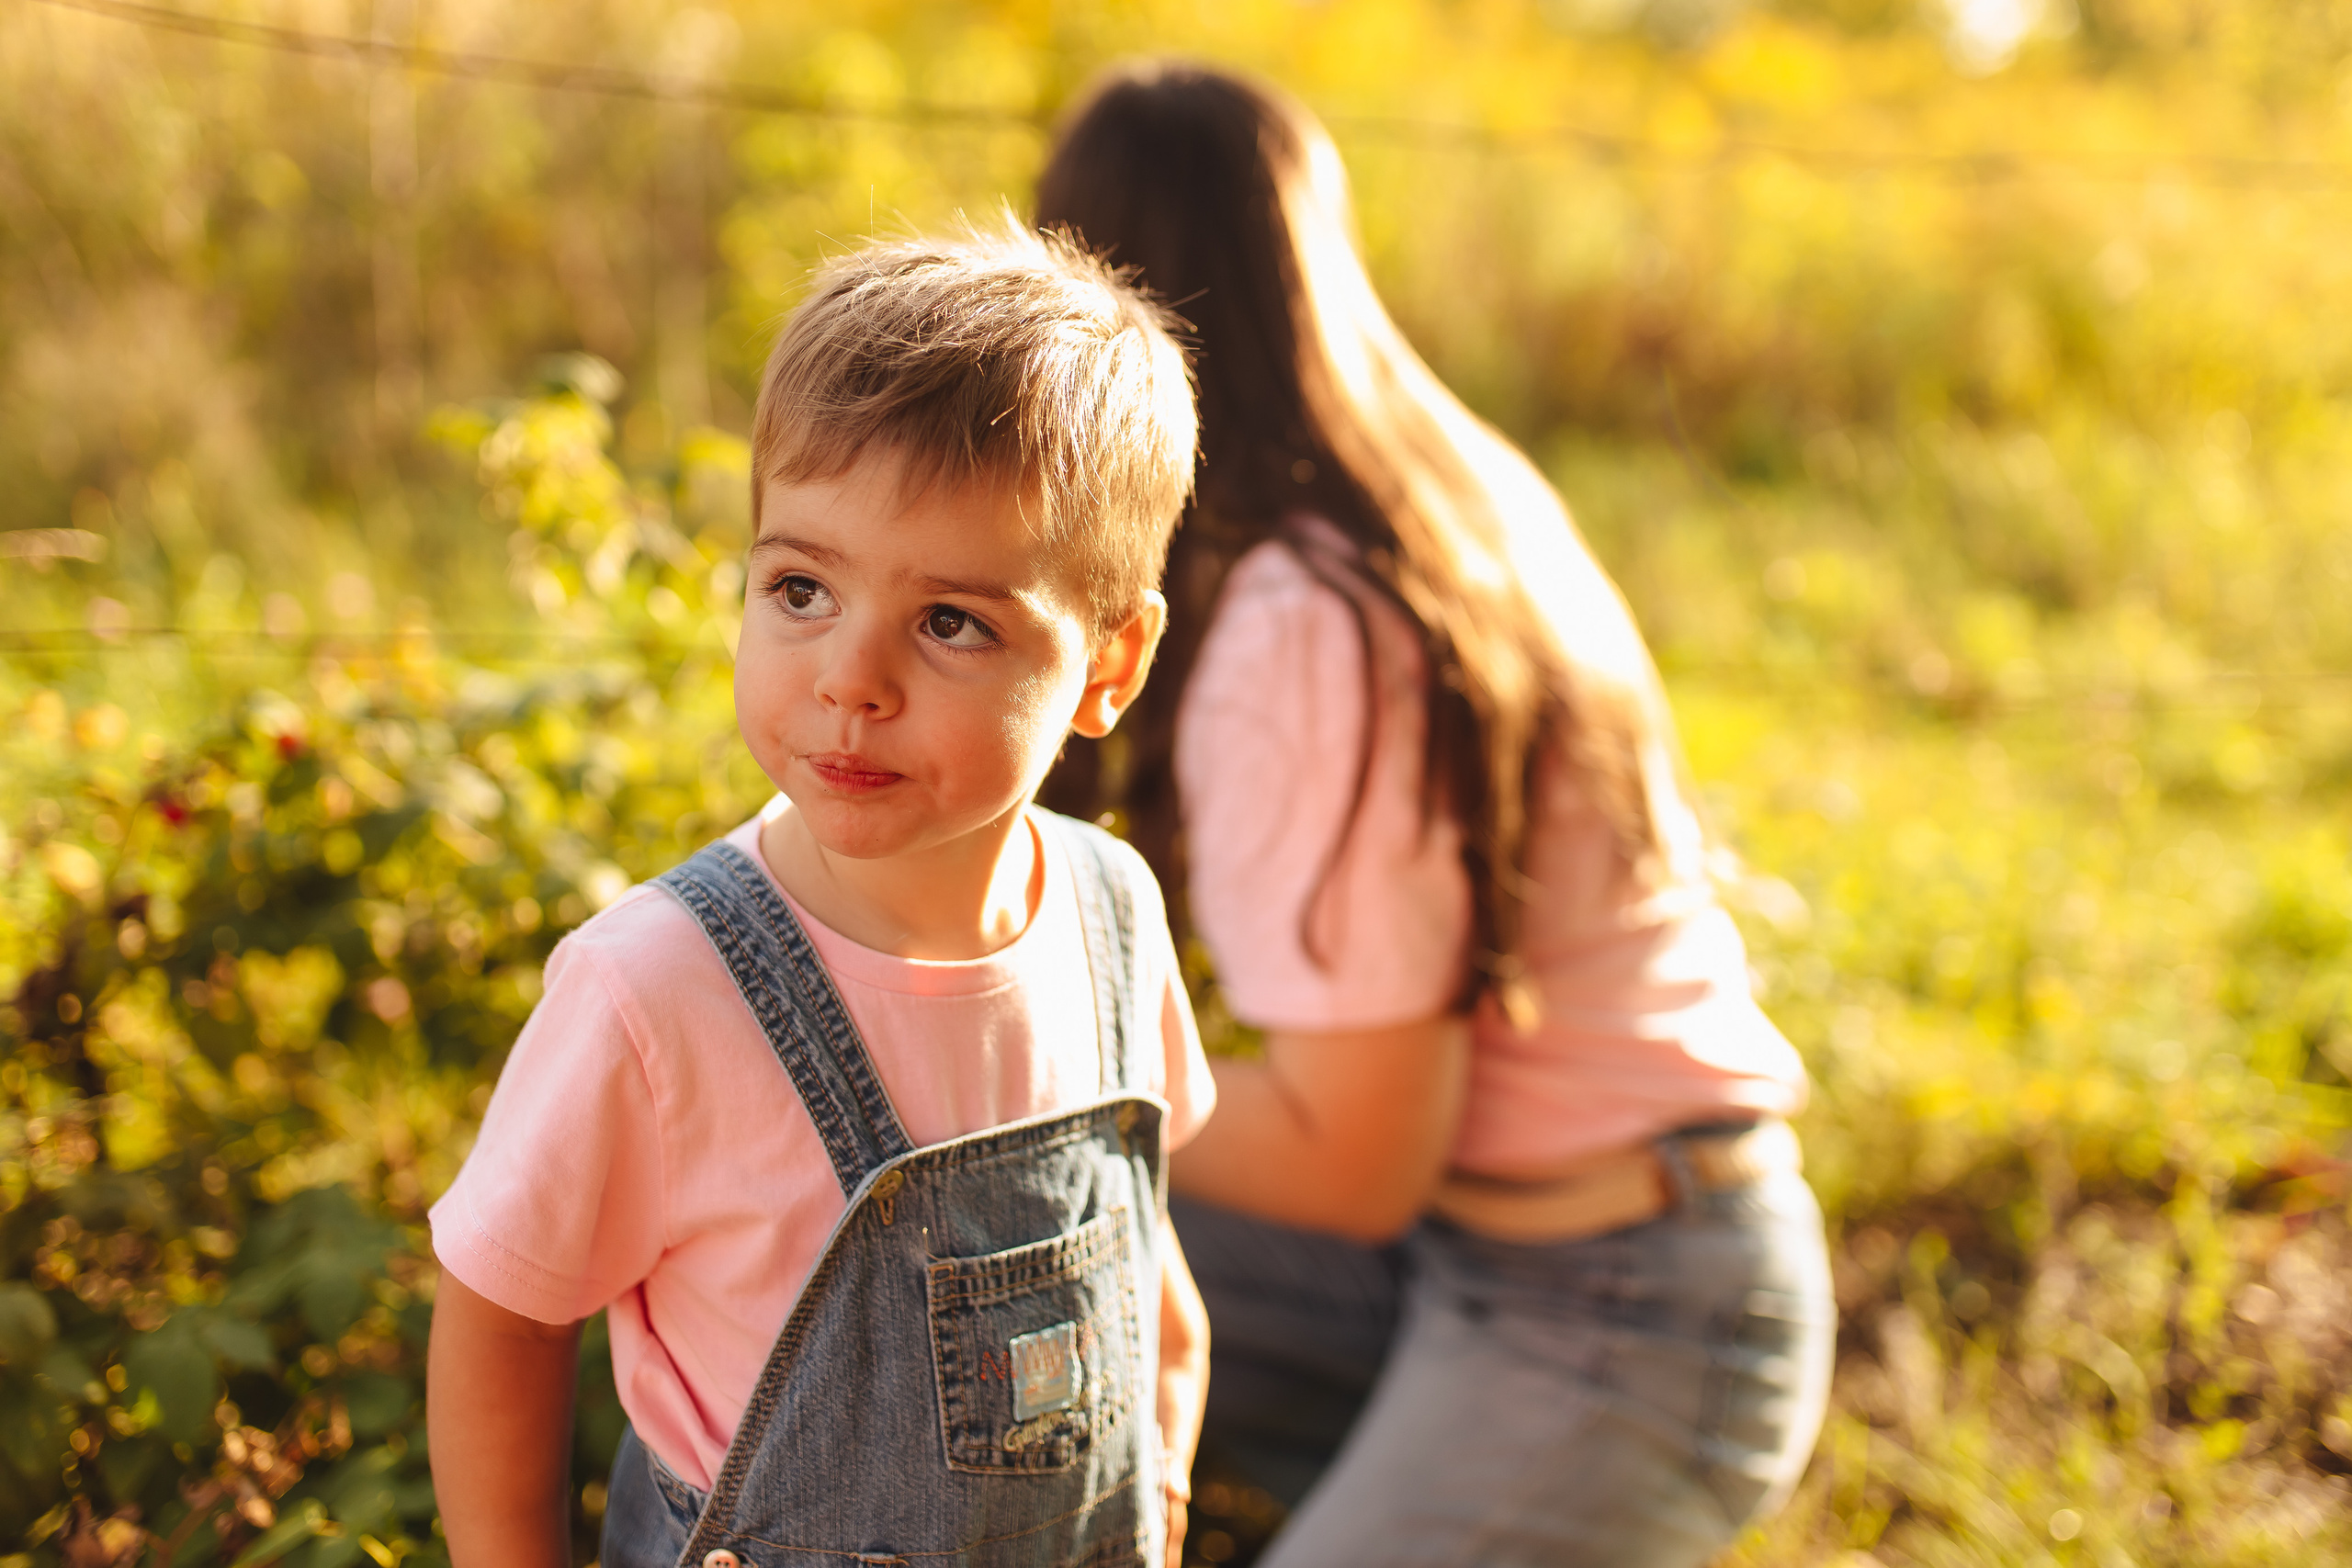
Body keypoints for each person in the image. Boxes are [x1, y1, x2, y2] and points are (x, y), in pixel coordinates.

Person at [1035, 63, 1835, 1568]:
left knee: (1035, 1181)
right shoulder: (1446, 492)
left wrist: (1020, 1050)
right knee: (994, 1281)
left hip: (1624, 1305)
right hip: (1490, 1245)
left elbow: (1353, 1159)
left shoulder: (1310, 618)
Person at [425, 221, 1217, 1568]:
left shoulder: (1109, 918)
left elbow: (1148, 1273)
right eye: (801, 587)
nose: (853, 677)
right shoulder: (658, 990)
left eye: (951, 622)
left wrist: (1166, 1496)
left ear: (1112, 663)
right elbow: (501, 1313)